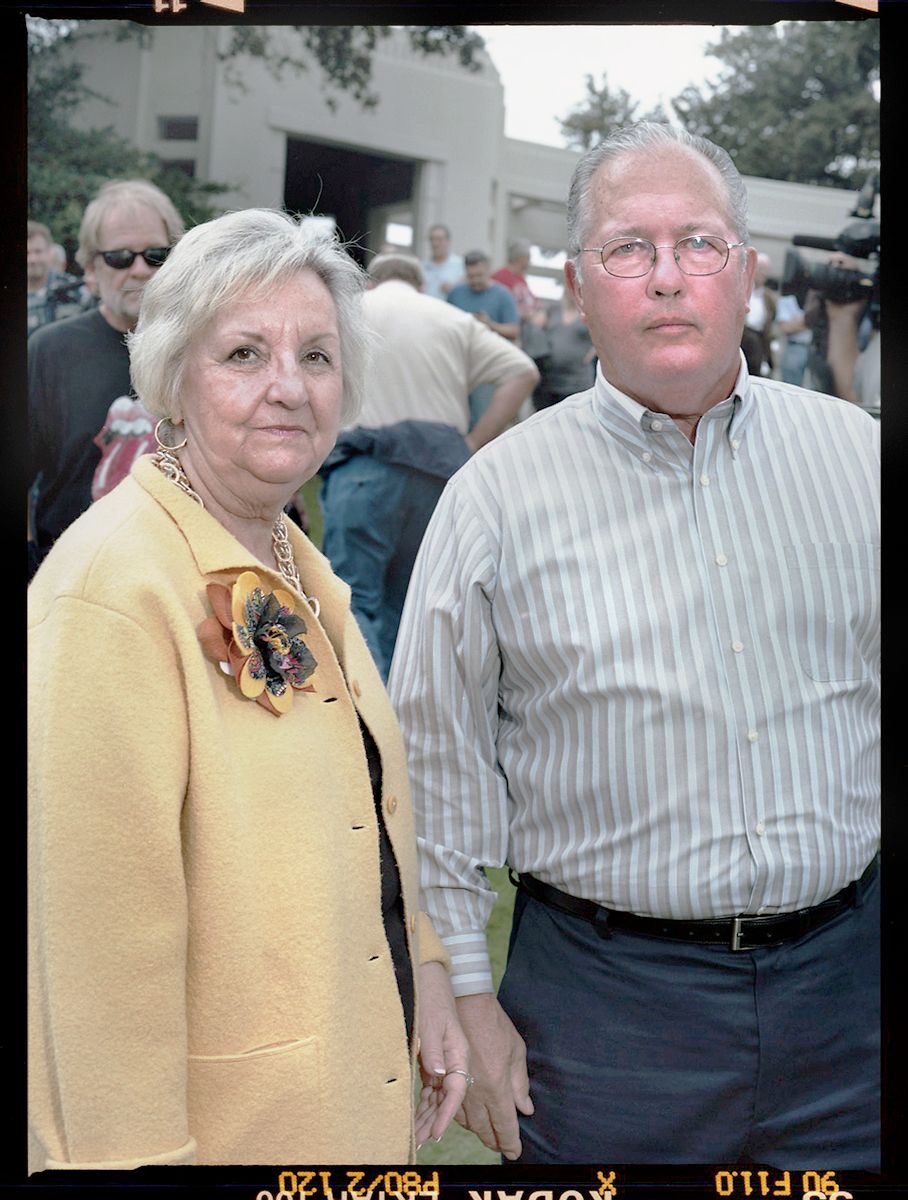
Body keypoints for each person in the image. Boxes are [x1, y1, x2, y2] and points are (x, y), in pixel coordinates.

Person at [389, 123, 879, 1168]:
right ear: (576, 283)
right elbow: (434, 767)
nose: (666, 279)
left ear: (745, 274)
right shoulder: (491, 502)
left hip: (850, 998)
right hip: (602, 1019)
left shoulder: (858, 463)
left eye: (698, 244)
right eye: (628, 249)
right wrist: (467, 995)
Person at [28, 209, 471, 1171]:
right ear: (172, 379)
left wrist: (424, 969)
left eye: (316, 355)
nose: (288, 387)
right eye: (242, 352)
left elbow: (366, 812)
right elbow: (97, 962)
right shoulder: (113, 590)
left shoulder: (290, 556)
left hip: (341, 1112)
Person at [319, 253, 538, 680]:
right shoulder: (451, 319)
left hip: (363, 466)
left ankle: (369, 723)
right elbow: (522, 371)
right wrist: (474, 444)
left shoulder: (349, 314)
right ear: (420, 285)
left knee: (356, 599)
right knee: (414, 604)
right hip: (436, 473)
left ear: (371, 284)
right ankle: (404, 721)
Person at [28, 179, 185, 578]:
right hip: (72, 578)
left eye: (156, 254)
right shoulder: (50, 351)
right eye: (119, 257)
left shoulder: (205, 350)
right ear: (91, 267)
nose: (140, 269)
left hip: (179, 580)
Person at [448, 251, 521, 428]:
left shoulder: (502, 295)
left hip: (486, 367)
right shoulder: (456, 293)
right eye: (470, 276)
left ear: (488, 270)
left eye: (479, 275)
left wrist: (490, 325)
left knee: (482, 418)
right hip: (458, 365)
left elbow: (514, 330)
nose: (475, 281)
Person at [528, 288, 596, 410]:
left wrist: (593, 353)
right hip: (550, 380)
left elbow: (605, 334)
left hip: (577, 380)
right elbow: (535, 327)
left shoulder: (590, 311)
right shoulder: (553, 310)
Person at [26, 220, 84, 336]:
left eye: (38, 251)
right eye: (27, 252)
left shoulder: (73, 289)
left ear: (49, 253)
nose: (32, 259)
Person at [740, 251, 776, 376]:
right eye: (760, 269)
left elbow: (771, 321)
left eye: (766, 270)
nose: (762, 273)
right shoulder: (740, 291)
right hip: (742, 339)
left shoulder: (769, 298)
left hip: (759, 342)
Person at [492, 238, 539, 323]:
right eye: (528, 258)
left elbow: (530, 301)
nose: (529, 262)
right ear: (520, 257)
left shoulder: (521, 279)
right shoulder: (501, 276)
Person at [421, 223, 465, 300]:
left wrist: (453, 290)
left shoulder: (460, 265)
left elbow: (466, 292)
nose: (435, 244)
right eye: (432, 239)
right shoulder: (422, 266)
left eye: (439, 239)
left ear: (448, 241)